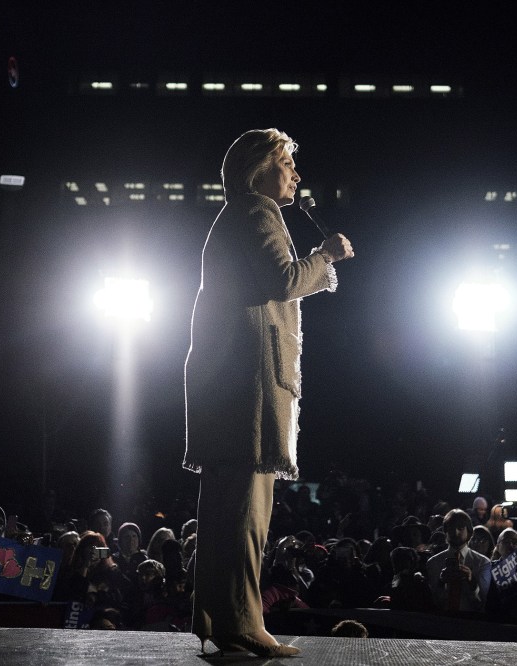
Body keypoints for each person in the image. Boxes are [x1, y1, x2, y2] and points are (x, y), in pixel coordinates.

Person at [183, 128, 354, 658]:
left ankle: (217, 616)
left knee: (223, 512)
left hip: (228, 384)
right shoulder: (257, 211)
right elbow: (282, 280)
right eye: (288, 164)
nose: (296, 175)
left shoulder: (236, 216)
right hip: (249, 386)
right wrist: (325, 258)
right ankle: (243, 622)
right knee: (246, 515)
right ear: (260, 169)